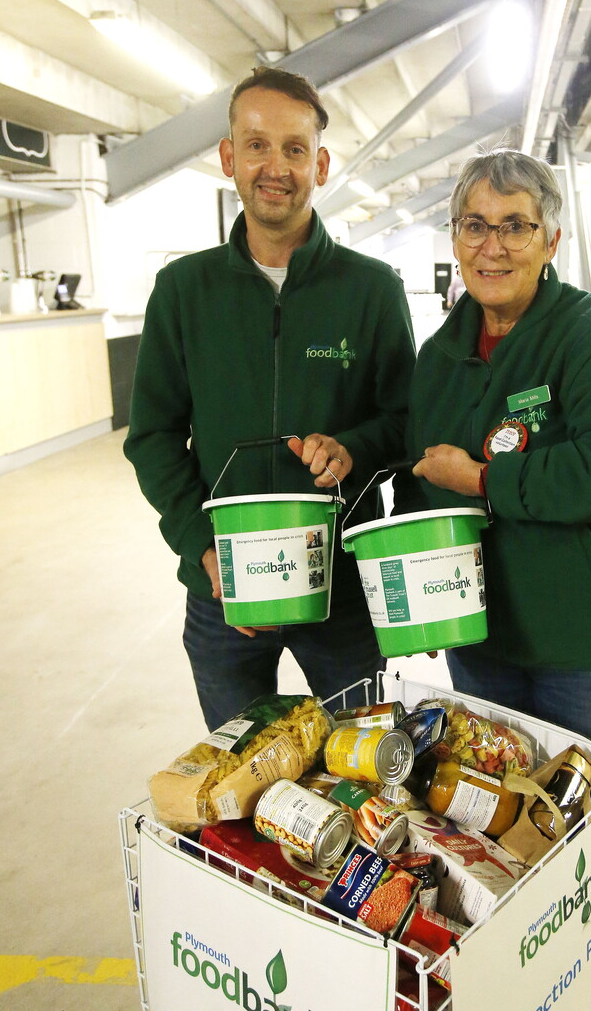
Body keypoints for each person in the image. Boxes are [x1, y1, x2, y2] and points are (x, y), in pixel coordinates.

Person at [406, 148, 591, 1011]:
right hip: (487, 644)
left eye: (515, 224)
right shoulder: (440, 354)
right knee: (505, 826)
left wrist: (483, 478)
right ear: (454, 240)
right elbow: (411, 470)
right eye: (476, 224)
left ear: (550, 238)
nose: (494, 244)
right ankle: (533, 995)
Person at [124, 69, 415, 730]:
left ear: (321, 162)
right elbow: (153, 438)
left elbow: (406, 422)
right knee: (242, 785)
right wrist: (203, 548)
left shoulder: (372, 290)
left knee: (364, 769)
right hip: (223, 599)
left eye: (293, 148)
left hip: (342, 595)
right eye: (256, 145)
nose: (275, 167)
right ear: (229, 158)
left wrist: (353, 448)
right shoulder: (183, 292)